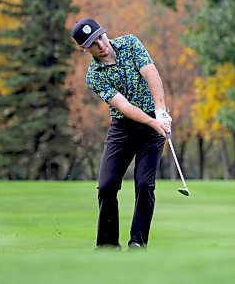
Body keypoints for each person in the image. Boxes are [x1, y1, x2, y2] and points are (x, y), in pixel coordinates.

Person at [71, 17, 172, 251]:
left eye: (100, 37)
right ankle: (107, 244)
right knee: (106, 186)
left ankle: (138, 241)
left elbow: (151, 74)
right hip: (123, 128)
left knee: (145, 184)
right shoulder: (94, 76)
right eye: (92, 44)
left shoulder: (130, 44)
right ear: (84, 49)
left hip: (153, 120)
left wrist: (160, 111)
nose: (101, 45)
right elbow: (123, 106)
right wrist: (151, 121)